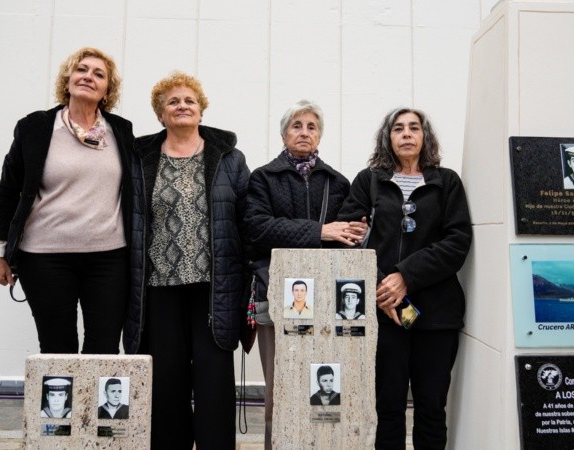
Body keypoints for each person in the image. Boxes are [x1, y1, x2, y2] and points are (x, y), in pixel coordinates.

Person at [0, 47, 142, 355]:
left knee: (104, 349)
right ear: (67, 80)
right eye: (81, 70)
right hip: (45, 258)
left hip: (109, 259)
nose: (88, 77)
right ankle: (61, 406)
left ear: (107, 90)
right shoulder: (35, 128)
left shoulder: (121, 130)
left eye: (99, 74)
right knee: (58, 348)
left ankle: (93, 406)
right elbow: (7, 191)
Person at [125, 71, 249, 449]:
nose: (182, 106)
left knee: (214, 381)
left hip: (215, 287)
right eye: (172, 102)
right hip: (158, 287)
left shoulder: (228, 158)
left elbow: (247, 220)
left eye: (189, 101)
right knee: (166, 381)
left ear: (201, 110)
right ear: (161, 114)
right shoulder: (140, 158)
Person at [338, 107, 472, 449]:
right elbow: (349, 240)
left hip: (437, 314)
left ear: (425, 136)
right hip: (384, 314)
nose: (407, 134)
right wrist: (385, 287)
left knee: (431, 407)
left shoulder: (447, 182)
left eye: (414, 128)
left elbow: (457, 242)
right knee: (388, 408)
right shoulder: (369, 181)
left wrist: (405, 277)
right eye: (399, 128)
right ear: (389, 137)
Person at [244, 99, 367, 449]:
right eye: (297, 125)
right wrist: (320, 231)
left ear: (320, 136)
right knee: (278, 391)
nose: (304, 132)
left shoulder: (338, 182)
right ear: (284, 134)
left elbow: (347, 237)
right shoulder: (263, 178)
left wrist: (359, 231)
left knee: (322, 389)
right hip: (276, 295)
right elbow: (257, 229)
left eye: (311, 127)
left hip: (327, 303)